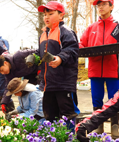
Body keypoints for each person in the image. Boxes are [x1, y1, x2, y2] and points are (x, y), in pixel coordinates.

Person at [79, 0, 119, 139]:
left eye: (104, 4)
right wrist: (80, 47)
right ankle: (98, 126)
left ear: (111, 6)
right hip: (95, 70)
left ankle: (114, 126)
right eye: (98, 5)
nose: (100, 7)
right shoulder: (91, 28)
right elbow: (82, 43)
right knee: (96, 99)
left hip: (113, 70)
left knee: (114, 99)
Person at [34, 1, 80, 132]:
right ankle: (54, 140)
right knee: (49, 114)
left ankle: (70, 140)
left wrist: (60, 58)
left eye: (51, 13)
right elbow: (40, 53)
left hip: (63, 83)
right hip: (48, 84)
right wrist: (35, 57)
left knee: (68, 114)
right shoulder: (43, 35)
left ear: (61, 16)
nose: (46, 17)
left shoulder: (66, 32)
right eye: (45, 14)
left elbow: (72, 51)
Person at [0, 49, 39, 119]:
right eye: (0, 72)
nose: (2, 73)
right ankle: (31, 116)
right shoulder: (9, 74)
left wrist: (41, 69)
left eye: (1, 70)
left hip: (39, 72)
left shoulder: (19, 56)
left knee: (38, 94)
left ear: (5, 63)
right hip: (29, 77)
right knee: (28, 96)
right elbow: (8, 87)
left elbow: (38, 52)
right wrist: (4, 103)